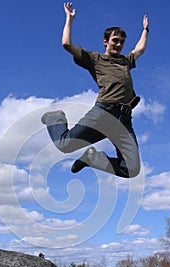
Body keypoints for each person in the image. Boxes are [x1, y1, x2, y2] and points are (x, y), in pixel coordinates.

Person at [41, 2, 149, 178]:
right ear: (105, 41)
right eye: (115, 40)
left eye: (122, 42)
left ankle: (93, 158)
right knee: (65, 145)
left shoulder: (126, 61)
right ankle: (55, 118)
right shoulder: (96, 59)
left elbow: (140, 49)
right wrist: (69, 19)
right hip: (104, 113)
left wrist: (145, 30)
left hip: (124, 120)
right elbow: (67, 44)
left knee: (131, 169)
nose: (119, 44)